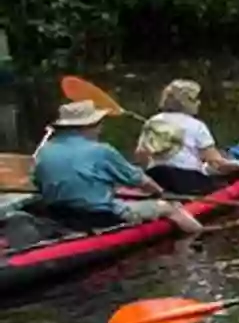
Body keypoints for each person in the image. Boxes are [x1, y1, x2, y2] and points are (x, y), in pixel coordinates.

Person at [33, 100, 204, 234]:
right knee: (172, 208)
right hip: (98, 216)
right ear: (88, 126)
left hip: (59, 214)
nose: (101, 128)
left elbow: (39, 183)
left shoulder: (45, 150)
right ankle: (200, 236)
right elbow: (139, 179)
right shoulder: (101, 150)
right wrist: (160, 192)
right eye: (99, 123)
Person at [135, 79, 239, 195]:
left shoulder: (152, 122)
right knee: (222, 182)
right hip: (187, 182)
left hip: (157, 179)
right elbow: (216, 163)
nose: (199, 103)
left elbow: (140, 155)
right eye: (196, 99)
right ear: (187, 102)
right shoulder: (197, 126)